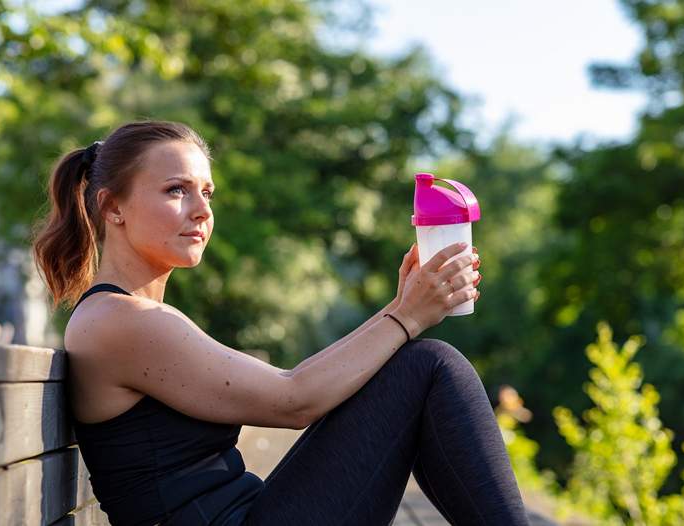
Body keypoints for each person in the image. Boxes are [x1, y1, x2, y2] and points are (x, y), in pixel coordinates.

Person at [31, 120, 530, 526]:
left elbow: (297, 388)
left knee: (421, 367)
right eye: (176, 190)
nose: (202, 210)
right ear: (112, 205)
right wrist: (406, 315)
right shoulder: (121, 321)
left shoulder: (127, 316)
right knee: (428, 367)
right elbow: (294, 399)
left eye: (207, 192)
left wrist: (401, 309)